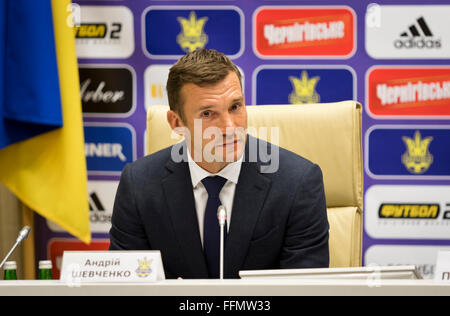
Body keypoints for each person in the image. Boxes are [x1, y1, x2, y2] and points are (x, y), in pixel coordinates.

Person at [109, 49, 329, 279]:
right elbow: (126, 288)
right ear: (176, 122)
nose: (230, 127)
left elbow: (304, 291)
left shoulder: (298, 183)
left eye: (235, 107)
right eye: (207, 114)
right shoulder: (139, 185)